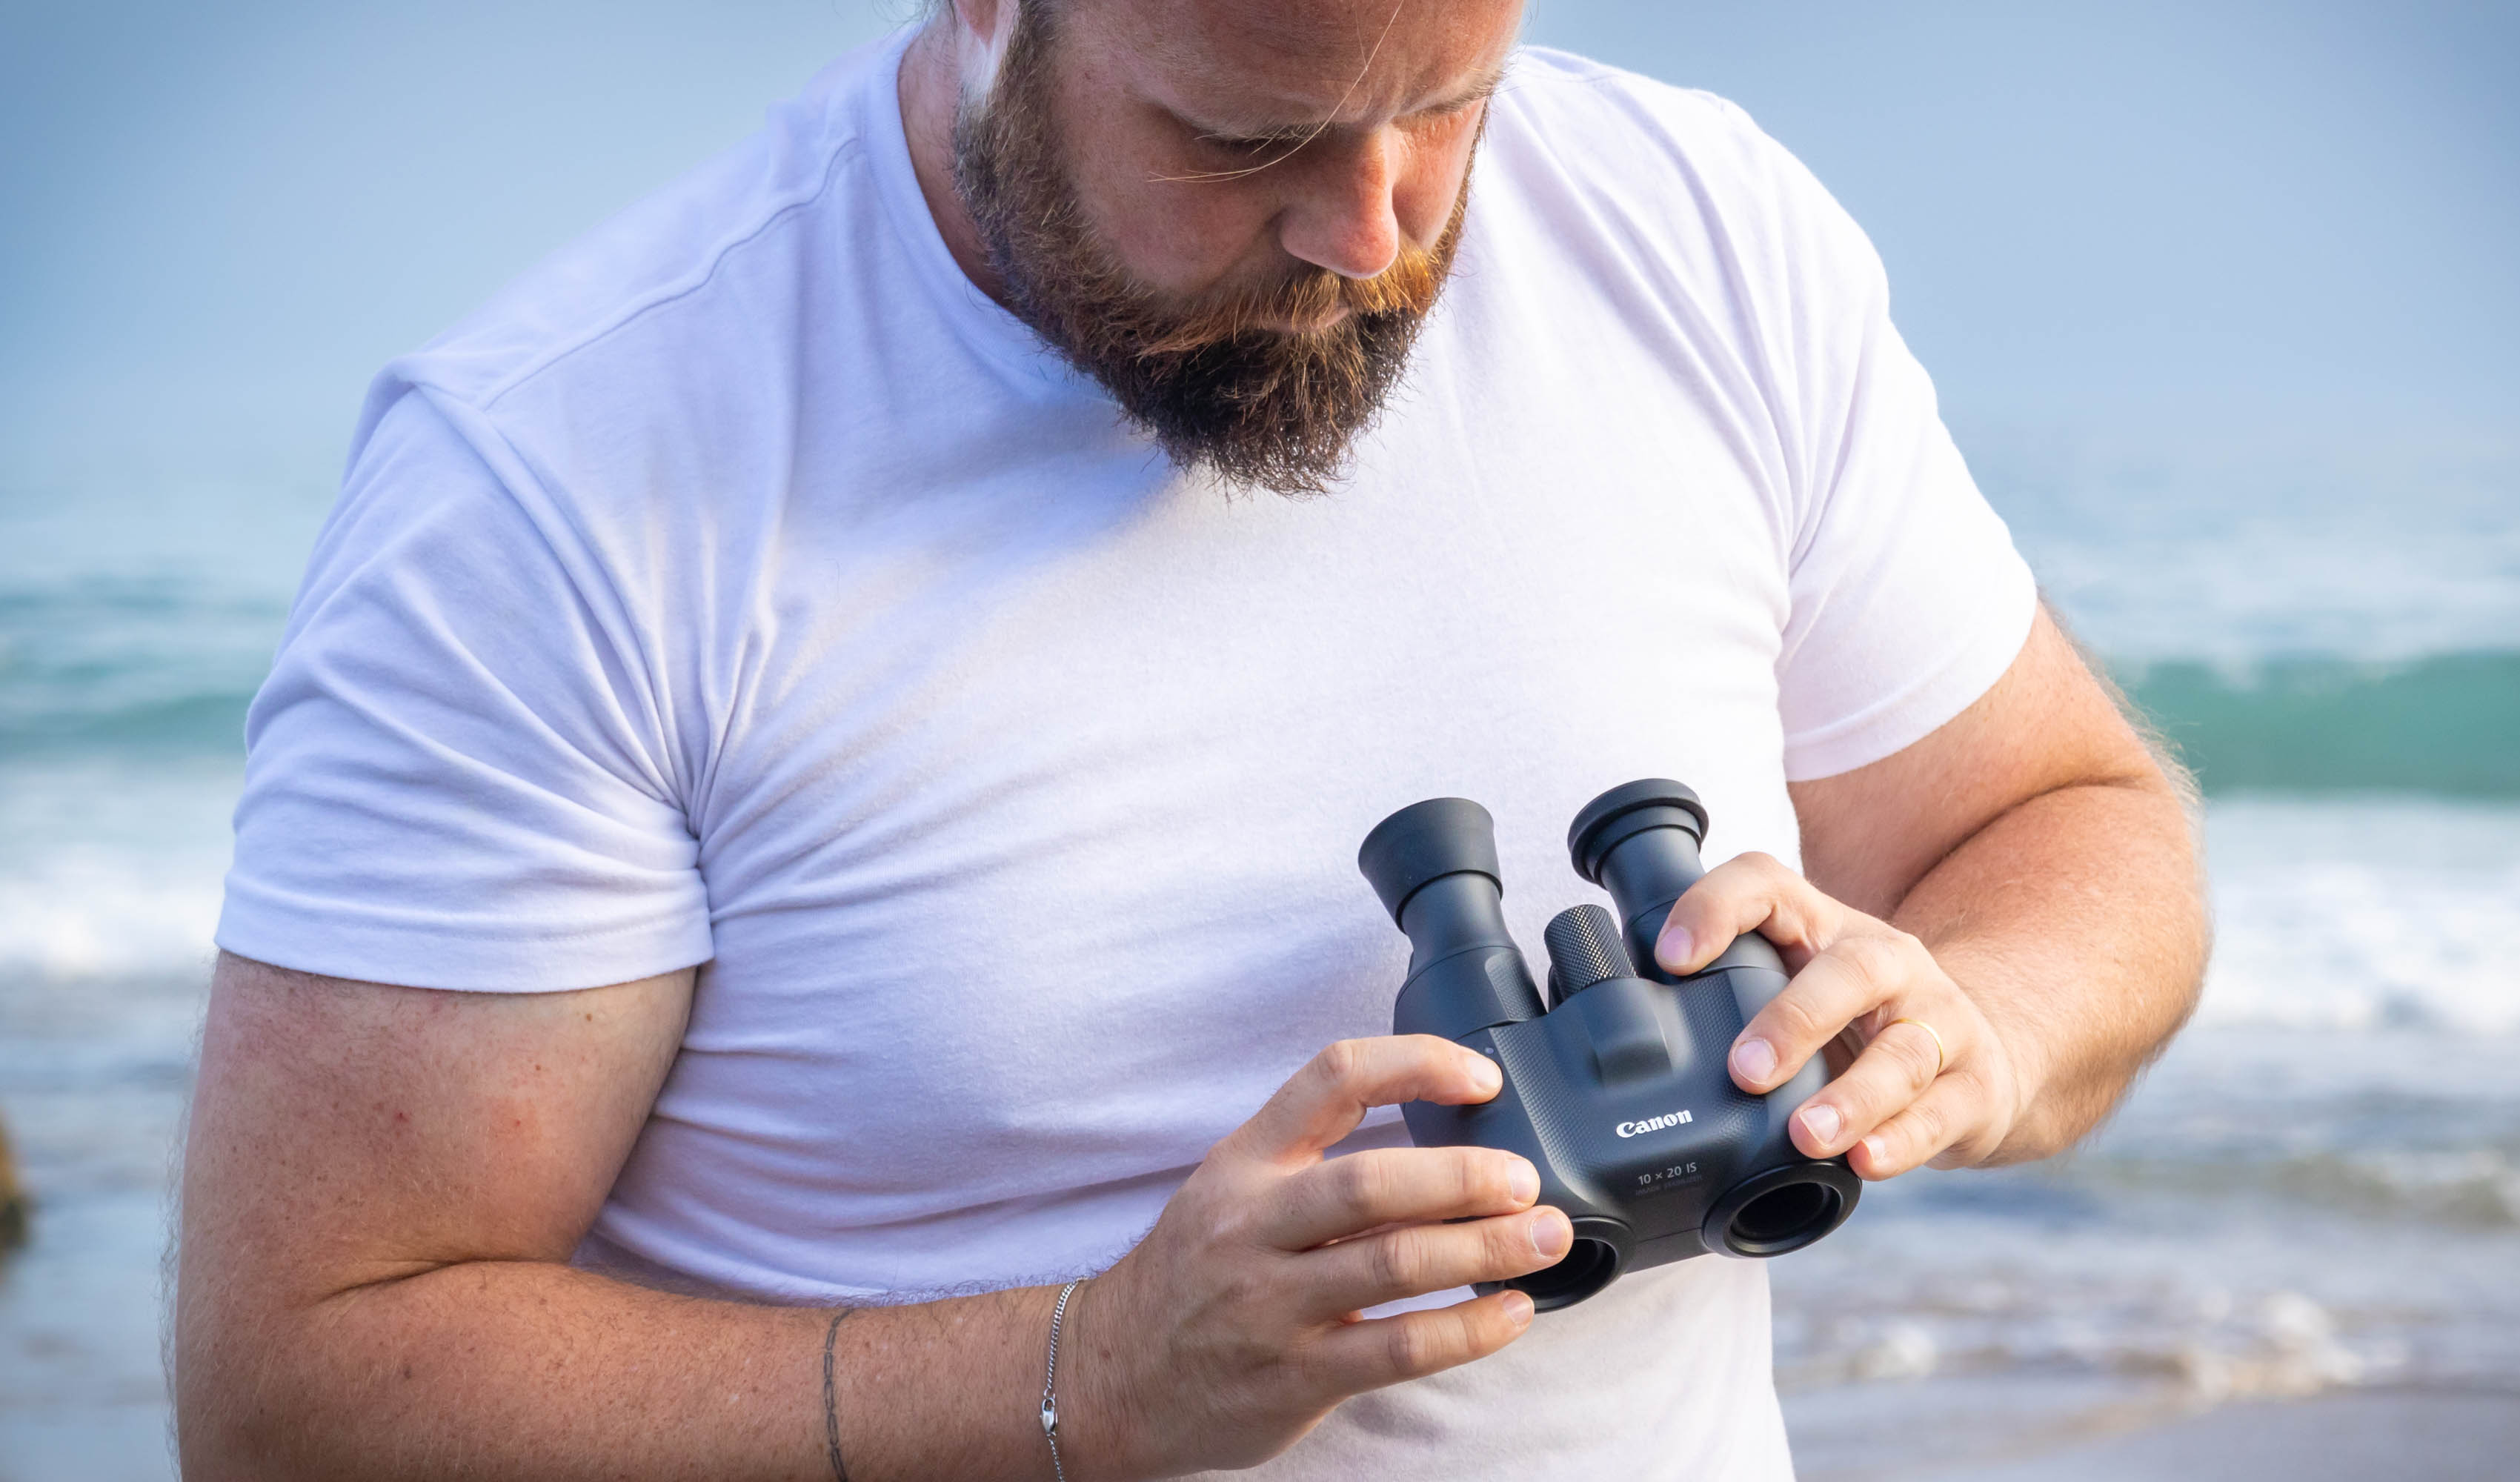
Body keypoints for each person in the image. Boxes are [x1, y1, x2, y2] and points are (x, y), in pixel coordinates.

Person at [173, 0, 2207, 1477]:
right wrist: (1082, 1377)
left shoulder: (1695, 232)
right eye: (1243, 144)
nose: (1370, 224)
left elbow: (2067, 821)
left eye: (1449, 105)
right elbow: (301, 1389)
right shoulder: (561, 479)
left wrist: (1980, 1028)